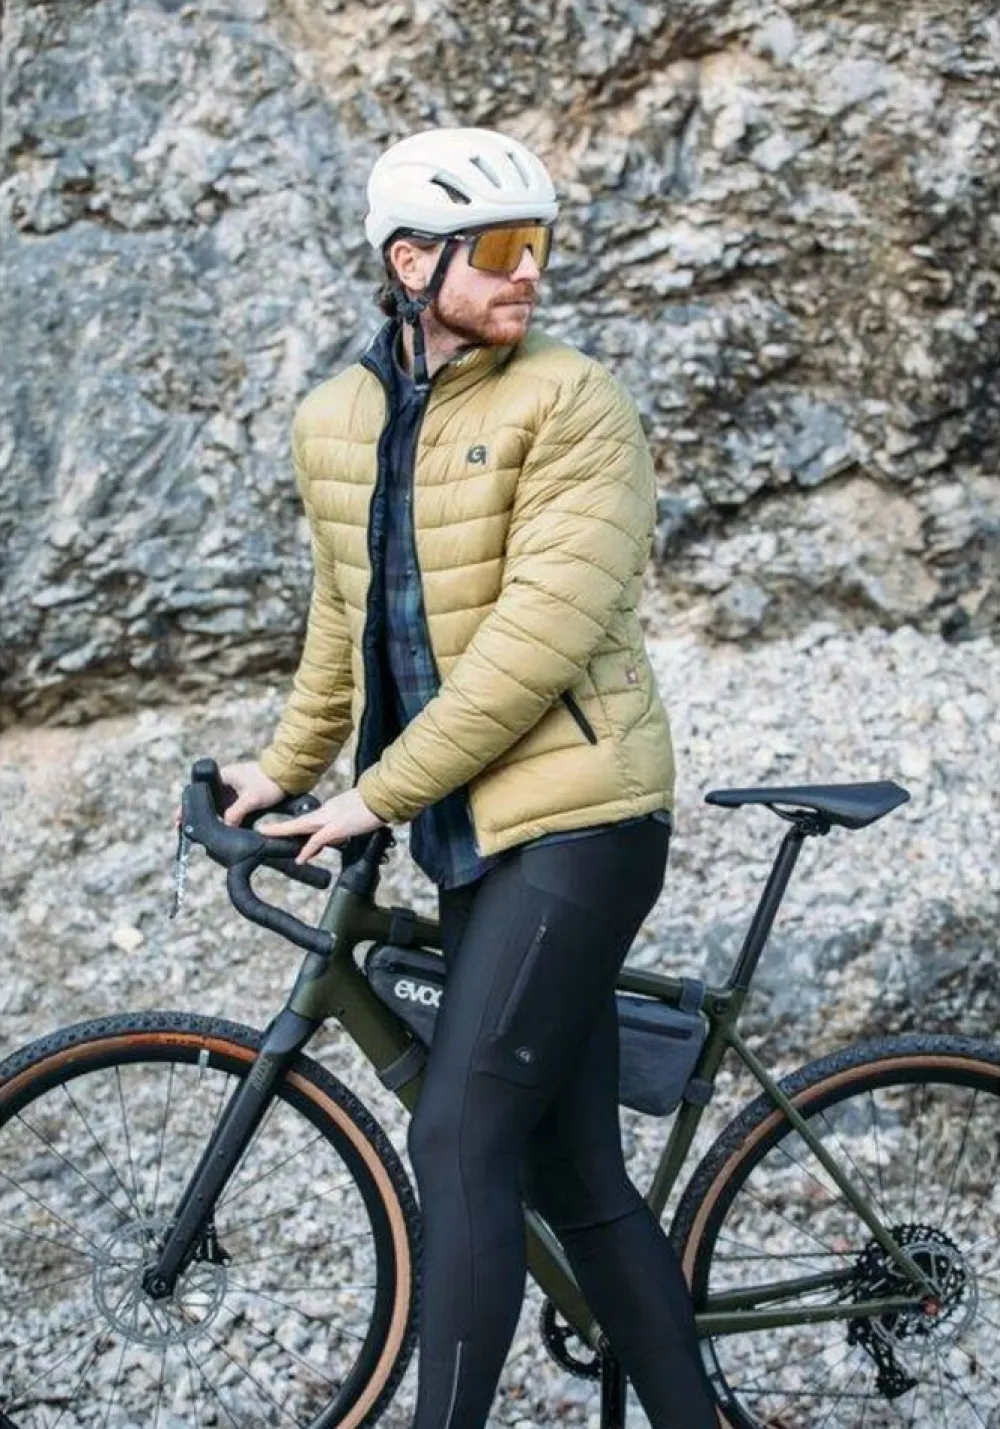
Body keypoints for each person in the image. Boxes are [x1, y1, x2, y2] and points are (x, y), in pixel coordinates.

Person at [223, 127, 720, 1429]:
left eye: (539, 245)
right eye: (502, 249)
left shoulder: (573, 403)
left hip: (582, 818)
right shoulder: (334, 419)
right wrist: (280, 771)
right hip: (465, 832)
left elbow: (530, 648)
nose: (530, 273)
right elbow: (342, 620)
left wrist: (371, 796)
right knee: (578, 1177)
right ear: (411, 263)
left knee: (455, 1139)